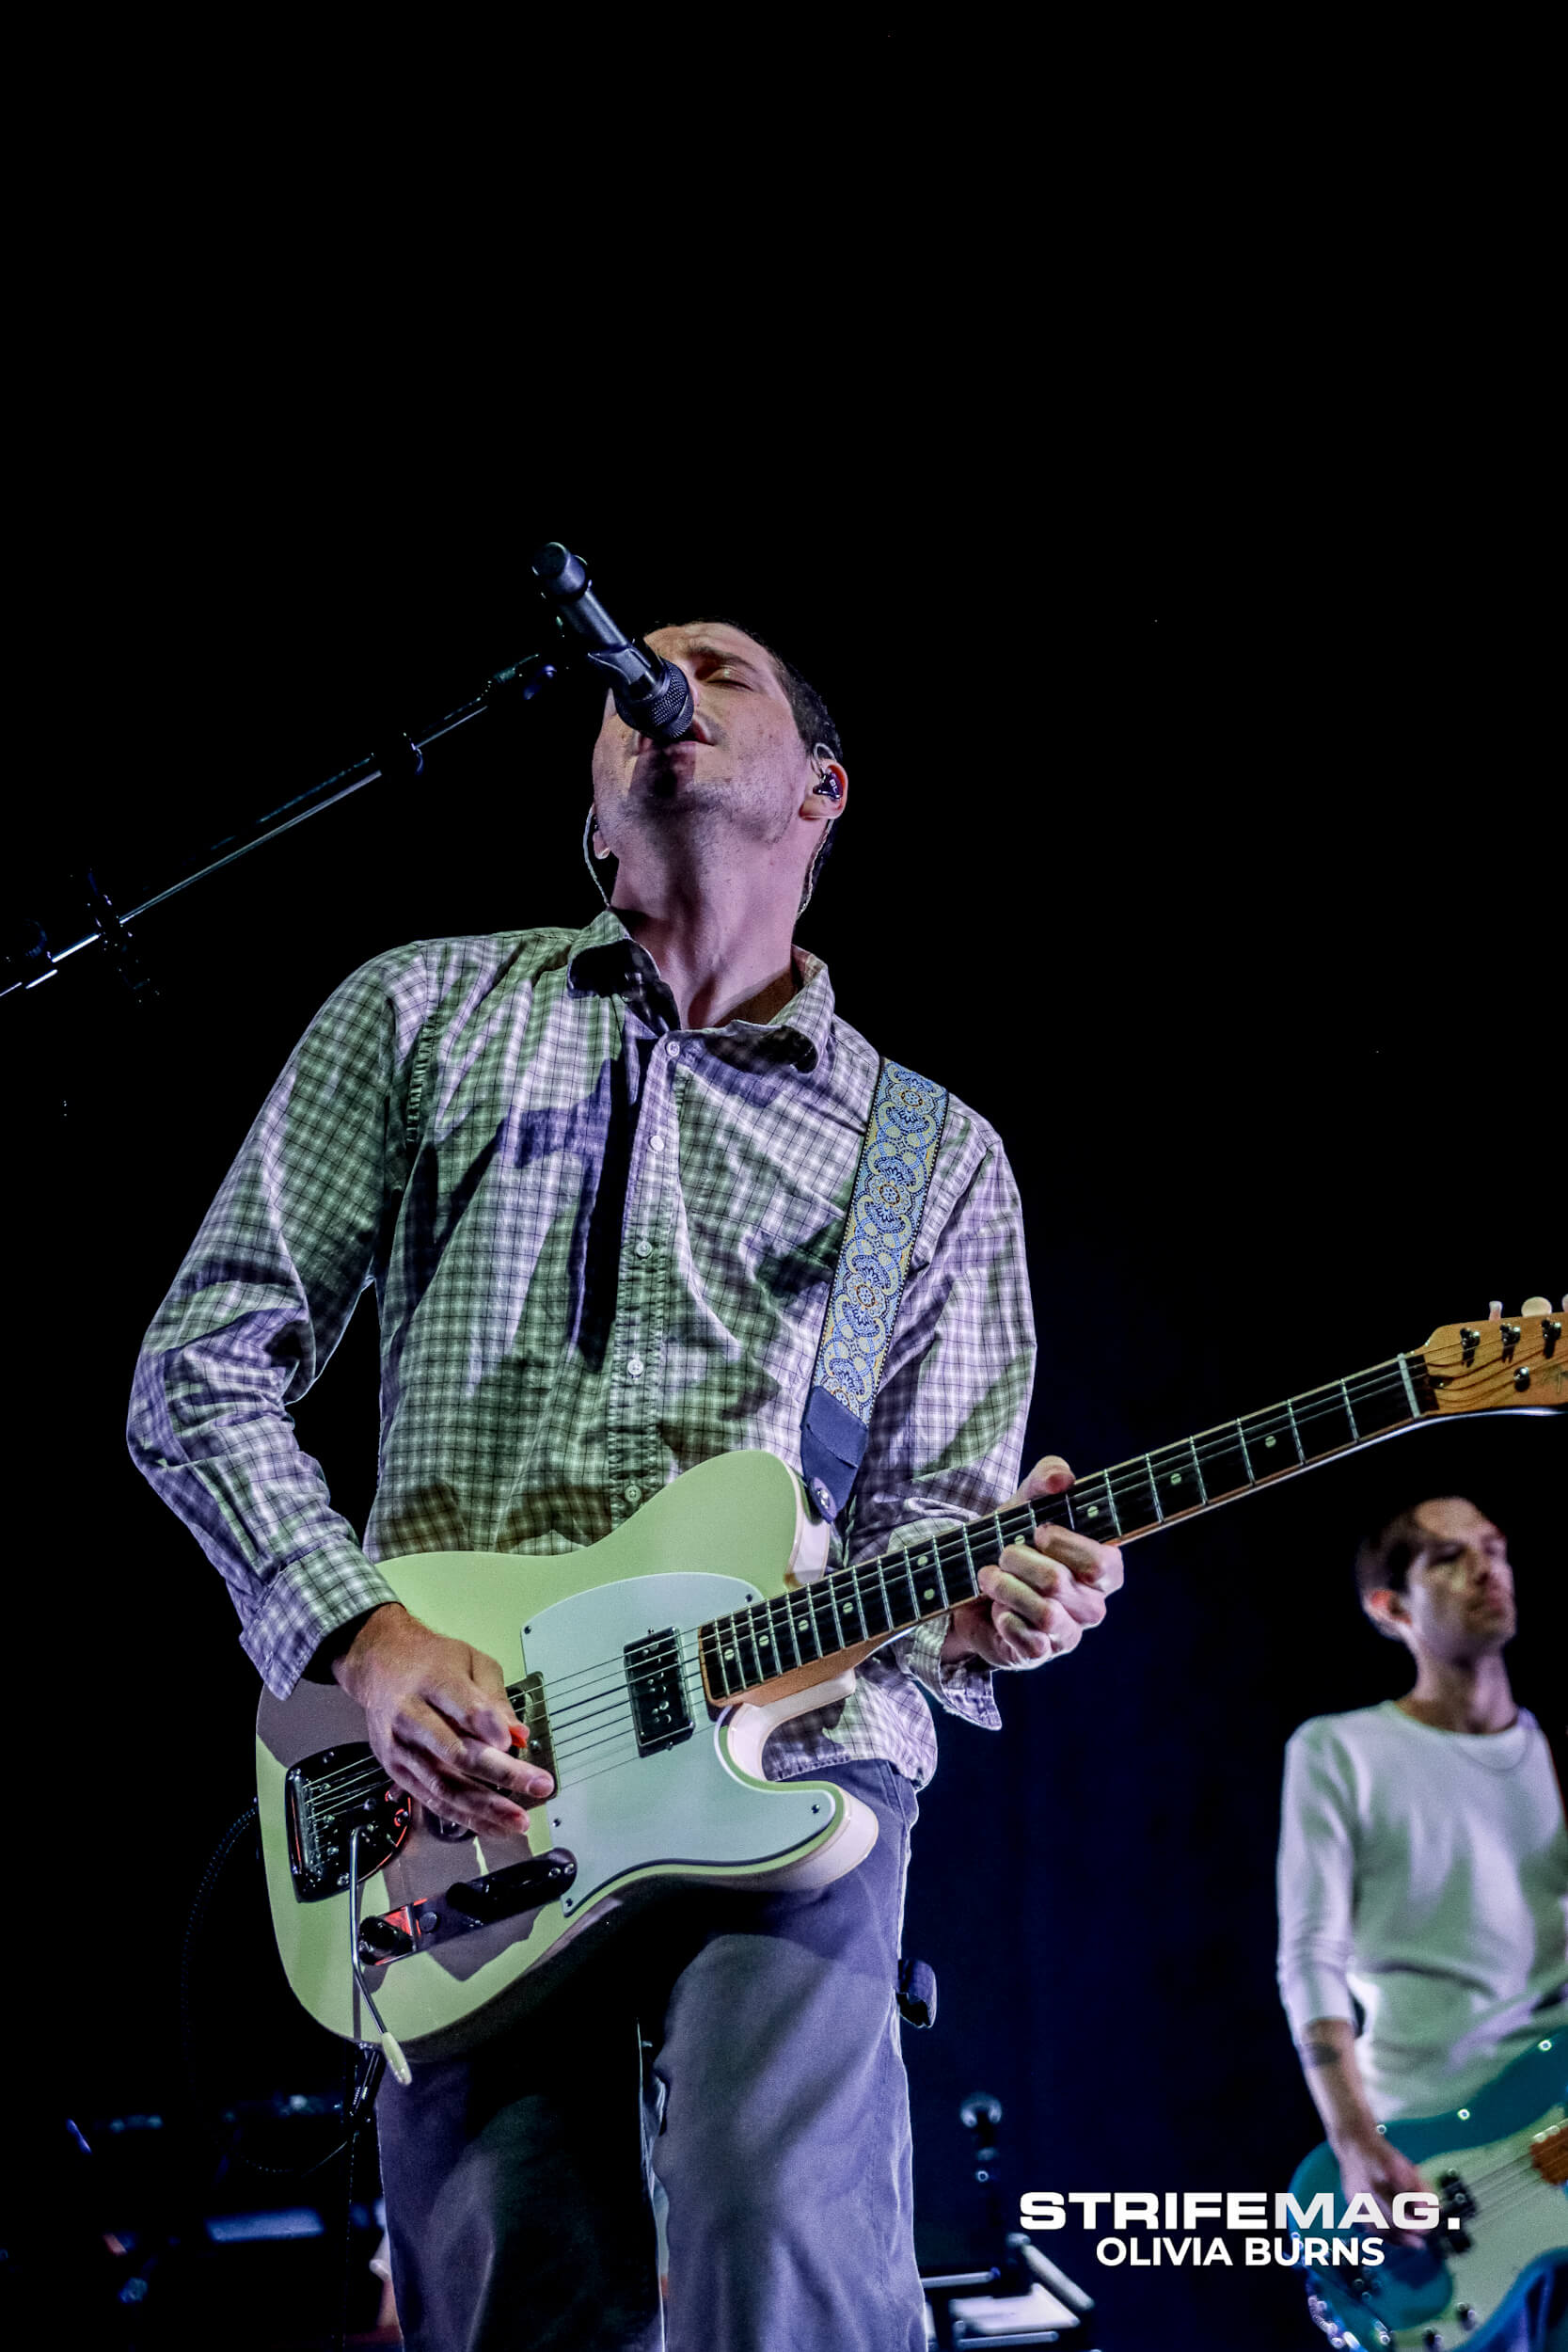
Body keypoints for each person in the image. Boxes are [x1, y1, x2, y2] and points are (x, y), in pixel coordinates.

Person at [129, 615, 1125, 2351]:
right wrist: (360, 1639)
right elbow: (196, 1361)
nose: (656, 679)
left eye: (716, 666)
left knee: (779, 2256)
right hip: (463, 1785)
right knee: (525, 2290)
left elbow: (925, 1549)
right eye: (630, 678)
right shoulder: (423, 1010)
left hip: (794, 1769)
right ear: (595, 820)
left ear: (820, 796)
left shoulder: (934, 1160)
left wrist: (985, 1608)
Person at [1277, 1492, 1568, 2351]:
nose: (1487, 1567)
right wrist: (1355, 2143)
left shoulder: (1553, 1756)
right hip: (1422, 2164)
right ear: (1388, 1607)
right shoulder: (1339, 1751)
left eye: (1494, 1546)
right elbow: (1309, 1955)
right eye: (1448, 1557)